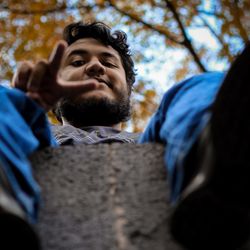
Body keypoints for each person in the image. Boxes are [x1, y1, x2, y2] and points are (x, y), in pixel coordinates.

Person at [1, 21, 250, 249]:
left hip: (161, 145)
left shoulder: (167, 131)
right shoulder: (30, 129)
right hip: (45, 143)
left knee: (197, 86)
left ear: (128, 87)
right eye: (77, 62)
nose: (96, 66)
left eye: (109, 63)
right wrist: (24, 108)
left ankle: (218, 172)